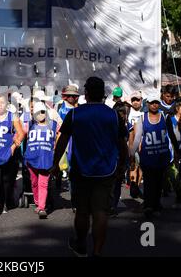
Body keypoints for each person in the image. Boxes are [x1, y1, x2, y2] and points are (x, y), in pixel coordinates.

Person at [52, 77, 127, 257]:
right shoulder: (113, 115)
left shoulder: (76, 114)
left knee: (82, 211)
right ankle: (97, 251)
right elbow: (122, 144)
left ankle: (81, 245)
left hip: (81, 170)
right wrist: (123, 165)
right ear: (103, 94)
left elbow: (62, 141)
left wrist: (54, 163)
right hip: (106, 170)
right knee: (101, 211)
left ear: (85, 94)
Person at [131, 93, 172, 219]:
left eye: (156, 103)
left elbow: (172, 135)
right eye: (152, 102)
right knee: (148, 181)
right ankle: (148, 205)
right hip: (147, 156)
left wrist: (176, 152)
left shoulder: (165, 117)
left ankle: (156, 204)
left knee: (159, 181)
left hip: (161, 155)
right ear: (147, 104)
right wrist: (131, 154)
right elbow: (137, 138)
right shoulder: (142, 119)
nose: (154, 105)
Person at [24, 102, 59, 219]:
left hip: (46, 159)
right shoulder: (29, 124)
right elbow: (19, 132)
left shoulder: (53, 124)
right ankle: (38, 202)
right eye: (37, 113)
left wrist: (56, 143)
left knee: (43, 183)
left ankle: (42, 208)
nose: (40, 115)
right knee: (34, 183)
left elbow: (62, 133)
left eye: (43, 112)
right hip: (32, 158)